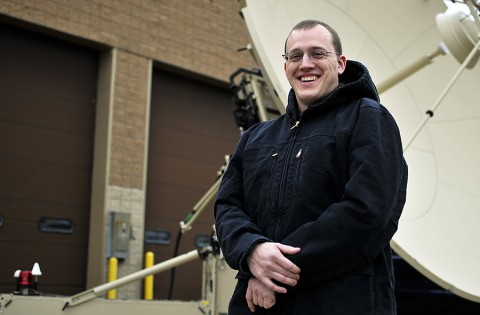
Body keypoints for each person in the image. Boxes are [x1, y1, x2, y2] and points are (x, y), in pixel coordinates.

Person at [214, 19, 408, 314]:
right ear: (286, 67)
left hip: (339, 303)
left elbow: (366, 213)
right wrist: (252, 251)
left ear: (341, 63)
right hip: (257, 305)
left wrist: (273, 271)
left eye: (318, 54)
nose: (305, 64)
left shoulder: (368, 119)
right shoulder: (256, 137)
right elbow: (228, 207)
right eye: (295, 56)